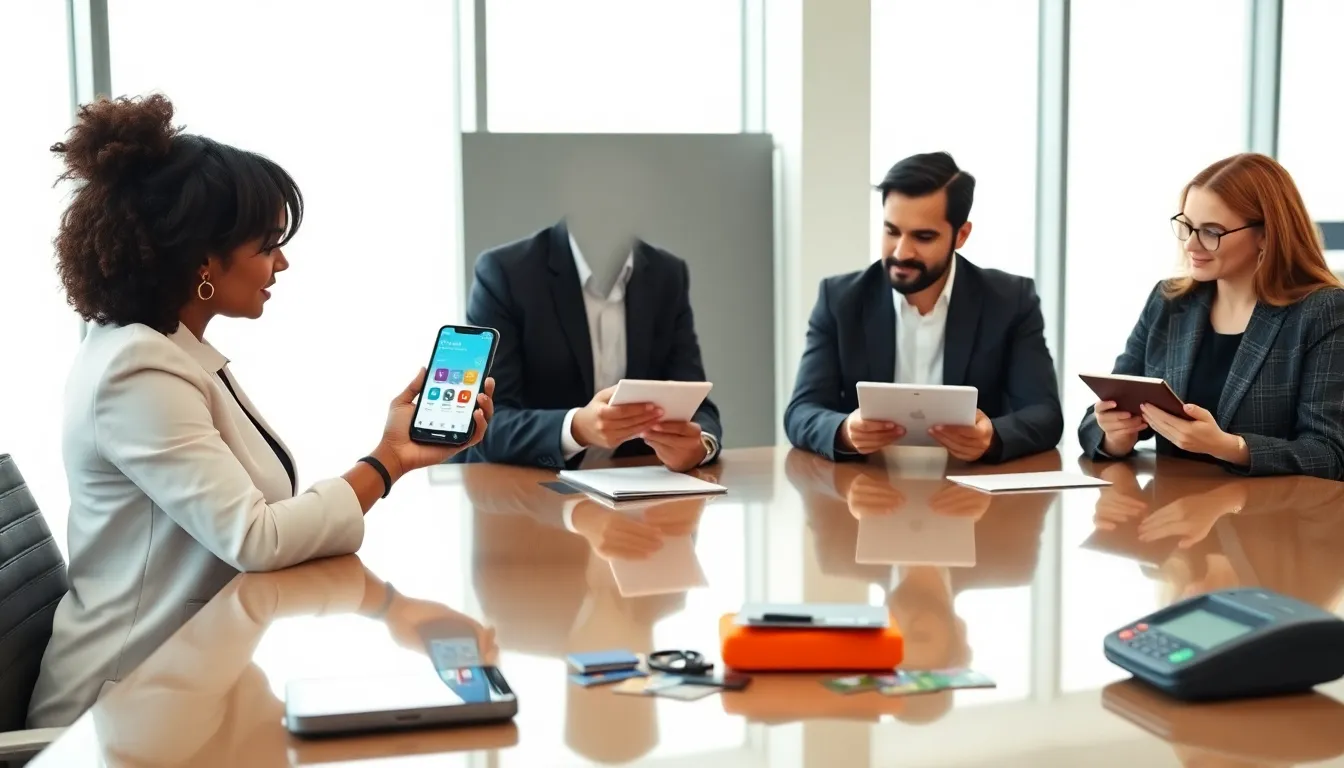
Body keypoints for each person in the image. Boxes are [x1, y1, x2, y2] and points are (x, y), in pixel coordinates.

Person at [27, 94, 495, 728]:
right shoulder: (135, 371)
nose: (282, 262)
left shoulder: (171, 352)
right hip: (122, 711)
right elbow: (257, 537)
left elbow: (258, 520)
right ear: (202, 259)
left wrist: (396, 456)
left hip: (196, 682)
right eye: (267, 244)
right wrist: (387, 464)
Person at [784, 151, 1063, 463]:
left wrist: (991, 437)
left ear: (961, 235)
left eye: (924, 236)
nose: (902, 252)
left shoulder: (1011, 300)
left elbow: (1045, 414)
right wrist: (845, 431)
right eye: (892, 231)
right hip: (866, 490)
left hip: (972, 491)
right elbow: (801, 412)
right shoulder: (839, 300)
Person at [1079, 153, 1344, 480]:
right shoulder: (1169, 302)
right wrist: (1116, 435)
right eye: (1187, 226)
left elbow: (1330, 453)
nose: (1191, 244)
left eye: (1211, 231)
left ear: (1265, 234)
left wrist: (1229, 446)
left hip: (1266, 521)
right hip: (1170, 514)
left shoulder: (1322, 311)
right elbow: (1099, 416)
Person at [462, 219, 722, 471]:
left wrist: (701, 447)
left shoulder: (667, 275)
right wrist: (576, 428)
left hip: (630, 491)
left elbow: (696, 402)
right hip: (517, 492)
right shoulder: (505, 272)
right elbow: (487, 423)